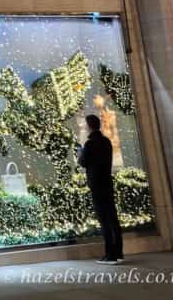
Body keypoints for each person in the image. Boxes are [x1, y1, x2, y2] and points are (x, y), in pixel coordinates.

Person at [77, 113, 123, 264]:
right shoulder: (106, 142)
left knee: (104, 220)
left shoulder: (90, 144)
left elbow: (83, 162)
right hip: (107, 183)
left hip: (97, 185)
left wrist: (79, 153)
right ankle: (118, 252)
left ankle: (110, 255)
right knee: (113, 218)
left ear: (89, 126)